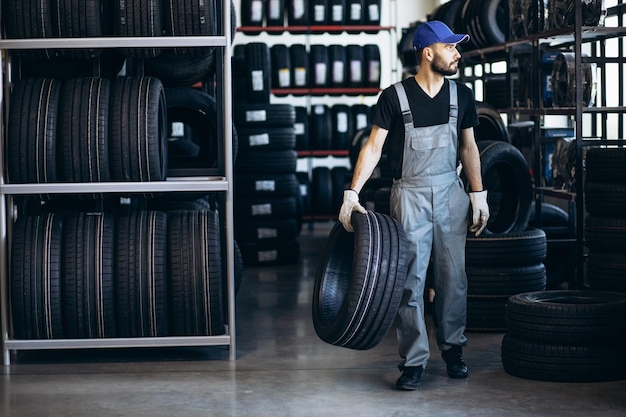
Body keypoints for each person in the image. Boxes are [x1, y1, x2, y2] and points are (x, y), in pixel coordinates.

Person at [338, 20, 489, 391]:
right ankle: (414, 361)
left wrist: (477, 192)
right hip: (410, 195)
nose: (457, 53)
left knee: (454, 279)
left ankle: (454, 350)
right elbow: (373, 147)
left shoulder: (462, 96)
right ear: (428, 53)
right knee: (410, 282)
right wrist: (352, 192)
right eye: (450, 47)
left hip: (451, 193)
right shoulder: (394, 97)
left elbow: (468, 147)